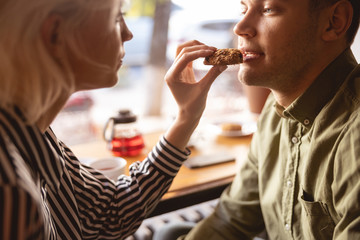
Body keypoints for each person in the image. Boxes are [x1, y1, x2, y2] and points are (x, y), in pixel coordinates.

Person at [0, 0, 228, 239]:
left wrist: (186, 117)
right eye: (117, 17)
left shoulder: (35, 131)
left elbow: (110, 213)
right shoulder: (11, 192)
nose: (128, 34)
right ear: (56, 34)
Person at [154, 0, 360, 239]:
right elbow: (231, 218)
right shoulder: (275, 109)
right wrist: (186, 116)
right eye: (244, 8)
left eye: (268, 9)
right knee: (169, 233)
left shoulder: (353, 133)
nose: (240, 27)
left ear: (334, 22)